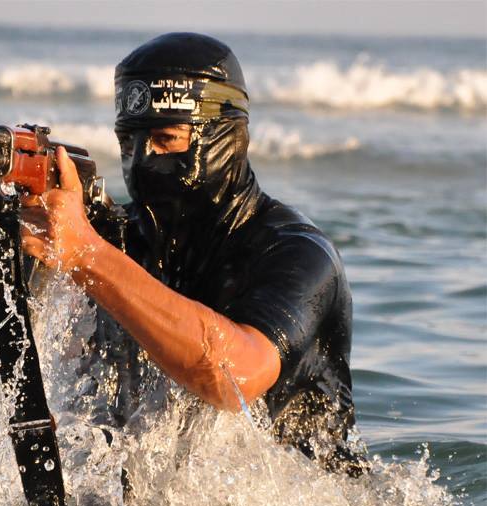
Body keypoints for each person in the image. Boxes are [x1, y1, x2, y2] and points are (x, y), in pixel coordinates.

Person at [20, 32, 367, 476]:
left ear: (228, 137)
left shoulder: (299, 254)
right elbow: (61, 382)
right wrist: (24, 249)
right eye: (128, 145)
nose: (141, 161)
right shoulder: (118, 240)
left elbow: (233, 378)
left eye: (165, 139)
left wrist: (85, 254)